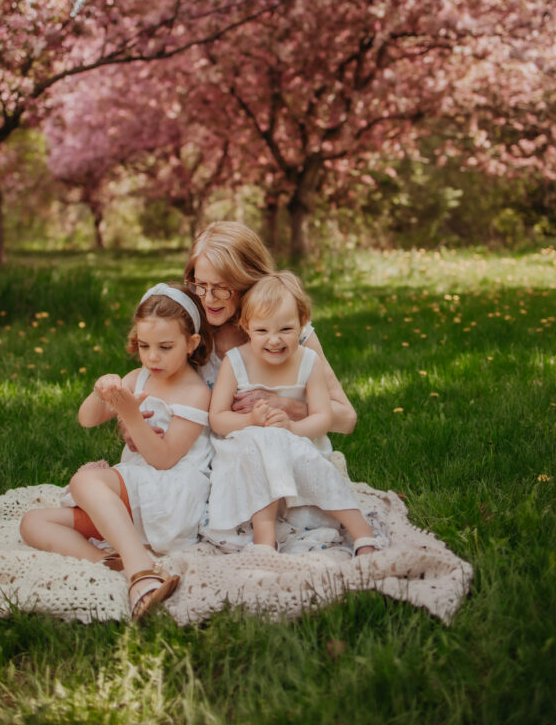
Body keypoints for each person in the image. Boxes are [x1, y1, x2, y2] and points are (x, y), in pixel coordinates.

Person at [20, 283, 212, 620]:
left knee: (85, 481)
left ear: (191, 343)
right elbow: (87, 419)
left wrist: (131, 417)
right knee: (33, 522)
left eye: (166, 347)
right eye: (144, 345)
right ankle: (117, 563)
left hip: (170, 495)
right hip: (133, 502)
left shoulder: (194, 392)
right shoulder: (138, 378)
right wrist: (100, 391)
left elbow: (164, 459)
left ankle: (141, 570)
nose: (153, 356)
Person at [205, 272, 388, 553]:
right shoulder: (235, 362)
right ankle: (265, 540)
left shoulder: (308, 362)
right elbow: (217, 418)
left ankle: (362, 533)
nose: (274, 341)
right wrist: (251, 421)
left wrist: (290, 429)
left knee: (277, 441)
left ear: (302, 324)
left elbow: (322, 417)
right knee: (265, 440)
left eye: (286, 330)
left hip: (300, 455)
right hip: (246, 459)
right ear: (246, 325)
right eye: (262, 330)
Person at [183, 221, 357, 433]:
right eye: (201, 284)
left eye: (221, 287)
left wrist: (286, 406)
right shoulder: (188, 331)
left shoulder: (289, 333)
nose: (208, 299)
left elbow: (347, 419)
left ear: (249, 280)